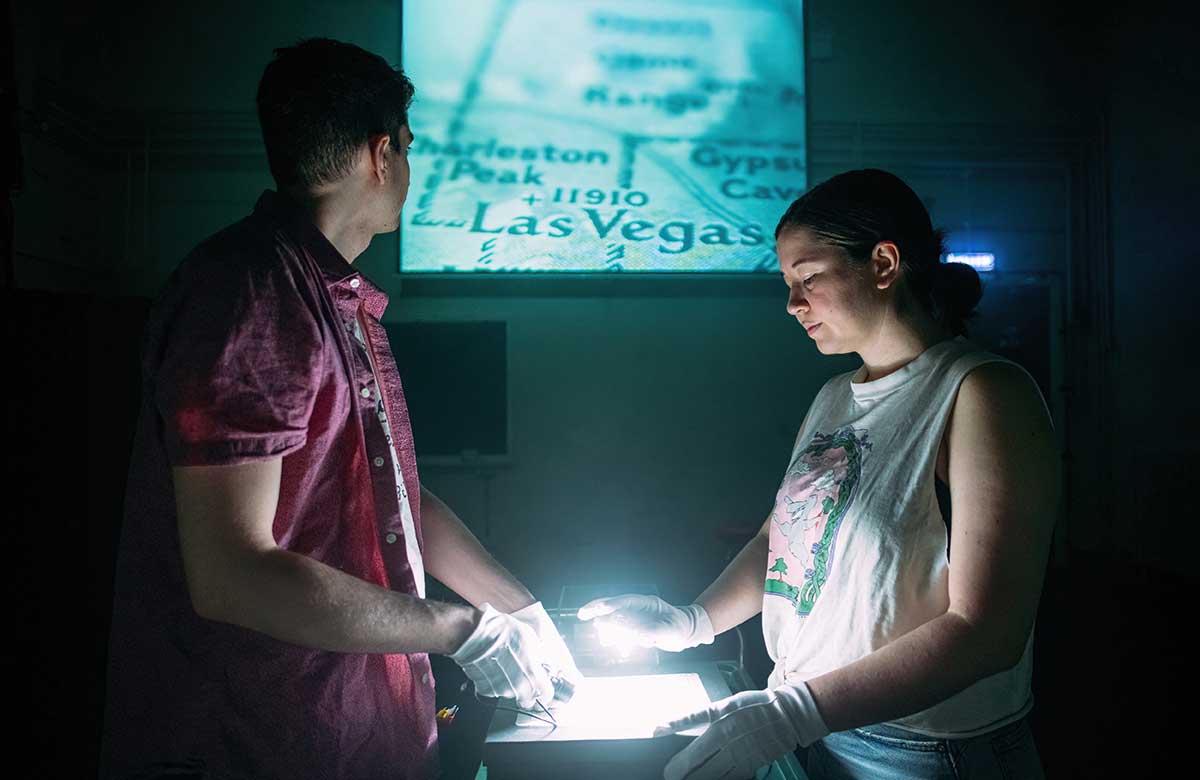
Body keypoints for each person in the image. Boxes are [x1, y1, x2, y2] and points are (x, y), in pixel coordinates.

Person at [101, 38, 578, 780]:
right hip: (260, 738)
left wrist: (518, 611)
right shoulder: (251, 292)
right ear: (382, 153)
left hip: (352, 733)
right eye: (410, 150)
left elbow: (390, 499)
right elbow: (232, 570)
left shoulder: (332, 298)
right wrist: (461, 629)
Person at [579, 169, 1057, 780]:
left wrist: (799, 711)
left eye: (808, 278)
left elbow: (989, 630)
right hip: (818, 733)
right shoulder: (835, 396)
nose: (791, 303)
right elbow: (780, 543)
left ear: (883, 263)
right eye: (787, 283)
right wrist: (692, 621)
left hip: (924, 753)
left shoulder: (982, 391)